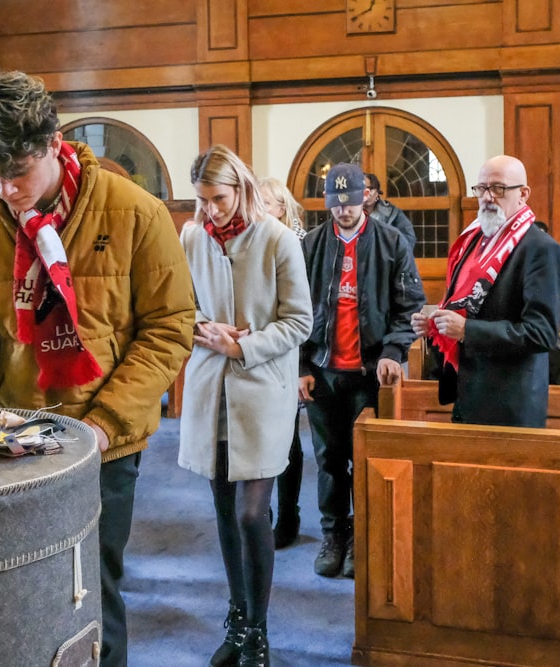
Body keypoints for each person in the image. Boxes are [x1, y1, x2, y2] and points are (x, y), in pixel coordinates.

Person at [0, 70, 194, 667]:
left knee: (91, 587)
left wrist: (100, 425)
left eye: (17, 172)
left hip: (105, 439)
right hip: (10, 435)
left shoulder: (134, 213)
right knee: (13, 589)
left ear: (51, 142)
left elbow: (169, 329)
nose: (6, 189)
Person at [179, 147, 312, 667]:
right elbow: (175, 306)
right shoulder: (192, 237)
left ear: (241, 188)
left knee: (253, 512)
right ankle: (237, 617)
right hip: (212, 389)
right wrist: (200, 327)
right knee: (222, 510)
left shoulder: (277, 238)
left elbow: (299, 321)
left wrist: (242, 346)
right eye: (203, 200)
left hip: (262, 390)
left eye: (219, 198)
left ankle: (258, 629)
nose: (212, 210)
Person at [300, 163, 425, 579]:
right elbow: (296, 312)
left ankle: (361, 536)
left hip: (369, 372)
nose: (343, 211)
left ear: (364, 198)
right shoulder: (312, 245)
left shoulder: (391, 242)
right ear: (327, 204)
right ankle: (333, 533)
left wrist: (393, 349)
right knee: (328, 459)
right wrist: (302, 364)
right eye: (335, 205)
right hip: (323, 370)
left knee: (364, 460)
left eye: (350, 203)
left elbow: (410, 306)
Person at [411, 154, 560, 427]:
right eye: (481, 188)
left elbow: (542, 333)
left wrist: (467, 330)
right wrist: (435, 325)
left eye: (499, 188)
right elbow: (463, 306)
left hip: (510, 402)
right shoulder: (473, 241)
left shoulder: (540, 248)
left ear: (523, 194)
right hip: (468, 391)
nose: (488, 197)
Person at [257, 175, 307, 551]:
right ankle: (261, 516)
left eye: (266, 205)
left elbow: (307, 314)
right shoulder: (249, 243)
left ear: (283, 210)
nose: (258, 212)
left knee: (287, 441)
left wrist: (306, 367)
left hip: (290, 356)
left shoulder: (299, 246)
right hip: (255, 355)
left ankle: (288, 514)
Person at [363, 173, 417, 252]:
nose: (368, 193)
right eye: (362, 188)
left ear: (377, 192)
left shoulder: (392, 213)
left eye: (370, 188)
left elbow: (409, 239)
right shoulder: (347, 212)